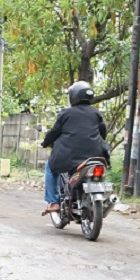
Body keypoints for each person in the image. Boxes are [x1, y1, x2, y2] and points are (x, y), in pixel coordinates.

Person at [40, 81, 109, 214]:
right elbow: (103, 132)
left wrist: (45, 142)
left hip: (69, 156)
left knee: (50, 167)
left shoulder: (66, 113)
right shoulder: (96, 113)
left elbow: (54, 132)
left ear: (73, 96)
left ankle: (53, 202)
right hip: (95, 155)